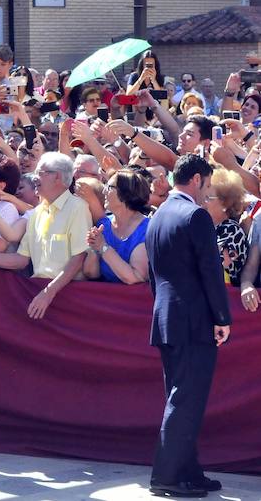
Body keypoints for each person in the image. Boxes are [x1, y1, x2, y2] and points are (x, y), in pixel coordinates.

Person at [145, 153, 231, 498]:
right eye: (207, 185)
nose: (206, 192)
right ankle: (165, 476)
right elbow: (210, 272)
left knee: (181, 399)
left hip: (166, 320)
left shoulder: (159, 215)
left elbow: (154, 277)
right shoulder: (195, 215)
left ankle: (188, 471)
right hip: (193, 322)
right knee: (186, 401)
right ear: (196, 179)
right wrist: (222, 318)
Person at [0, 152, 91, 319]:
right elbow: (21, 260)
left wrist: (49, 292)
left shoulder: (77, 208)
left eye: (40, 173)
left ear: (57, 177)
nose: (34, 178)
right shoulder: (37, 212)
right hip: (39, 295)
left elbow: (79, 258)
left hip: (68, 297)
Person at [83, 169, 151, 284]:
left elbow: (135, 278)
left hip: (132, 300)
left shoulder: (147, 229)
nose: (104, 191)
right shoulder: (103, 225)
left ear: (125, 194)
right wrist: (94, 248)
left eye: (109, 187)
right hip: (105, 299)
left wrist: (103, 247)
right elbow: (91, 273)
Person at [204, 167, 247, 287]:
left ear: (225, 204)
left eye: (208, 198)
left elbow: (221, 267)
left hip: (228, 298)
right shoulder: (206, 227)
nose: (202, 201)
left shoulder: (231, 230)